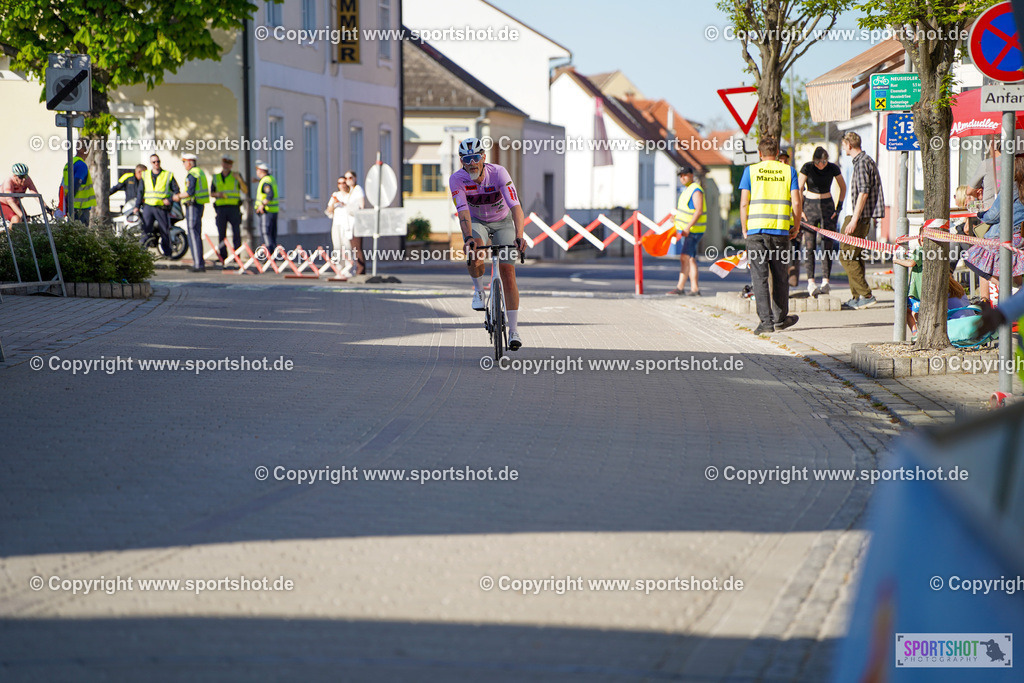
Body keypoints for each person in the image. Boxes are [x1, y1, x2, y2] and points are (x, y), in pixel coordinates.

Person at [449, 136, 527, 350]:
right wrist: (467, 239)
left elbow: (516, 207)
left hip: (503, 222)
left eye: (475, 157)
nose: (471, 162)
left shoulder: (499, 173)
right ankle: (478, 290)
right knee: (475, 250)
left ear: (483, 157)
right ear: (461, 161)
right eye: (466, 159)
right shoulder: (457, 179)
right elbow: (462, 212)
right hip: (476, 221)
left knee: (508, 273)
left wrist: (519, 235)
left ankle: (513, 331)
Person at [740, 136, 802, 335]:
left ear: (759, 153)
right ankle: (780, 319)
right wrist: (797, 226)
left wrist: (744, 228)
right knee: (780, 275)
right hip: (780, 232)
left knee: (759, 277)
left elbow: (743, 203)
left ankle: (765, 322)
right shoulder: (788, 171)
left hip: (756, 232)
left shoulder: (750, 171)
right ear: (777, 153)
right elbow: (797, 202)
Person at [963, 154, 1024, 301]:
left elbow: (993, 216)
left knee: (970, 258)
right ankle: (1016, 294)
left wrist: (980, 214)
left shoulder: (1012, 187)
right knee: (1014, 273)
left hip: (1002, 236)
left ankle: (1011, 292)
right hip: (1020, 237)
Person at [838, 131, 884, 310]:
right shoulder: (862, 161)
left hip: (857, 217)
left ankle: (865, 294)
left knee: (846, 255)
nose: (843, 147)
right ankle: (857, 297)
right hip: (859, 216)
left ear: (849, 144)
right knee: (854, 255)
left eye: (843, 144)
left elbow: (863, 192)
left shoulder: (863, 162)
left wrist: (854, 220)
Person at [798, 146, 846, 297]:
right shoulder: (807, 167)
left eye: (824, 161)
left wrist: (838, 208)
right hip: (810, 206)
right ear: (814, 160)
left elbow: (843, 187)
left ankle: (826, 281)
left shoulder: (832, 168)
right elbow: (799, 188)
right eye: (818, 161)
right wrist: (800, 210)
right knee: (810, 245)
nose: (821, 165)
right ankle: (811, 282)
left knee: (828, 244)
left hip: (827, 206)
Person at [666, 165, 705, 296]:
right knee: (690, 259)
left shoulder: (695, 190)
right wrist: (676, 219)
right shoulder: (687, 190)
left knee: (684, 257)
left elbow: (698, 211)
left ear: (691, 175)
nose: (682, 177)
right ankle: (695, 288)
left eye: (685, 175)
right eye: (681, 176)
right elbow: (687, 211)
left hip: (692, 231)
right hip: (688, 230)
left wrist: (687, 227)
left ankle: (680, 287)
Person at [173, 153, 209, 272]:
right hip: (198, 205)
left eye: (184, 162)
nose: (183, 164)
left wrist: (177, 196)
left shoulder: (192, 174)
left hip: (193, 205)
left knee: (193, 234)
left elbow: (190, 192)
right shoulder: (200, 172)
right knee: (196, 233)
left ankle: (198, 264)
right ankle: (199, 263)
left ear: (189, 162)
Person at [140, 154, 179, 257]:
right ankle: (141, 253)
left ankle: (167, 253)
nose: (156, 163)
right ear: (151, 163)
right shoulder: (145, 175)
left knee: (164, 230)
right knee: (145, 230)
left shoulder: (167, 175)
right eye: (154, 162)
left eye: (158, 161)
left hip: (161, 207)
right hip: (148, 207)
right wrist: (136, 206)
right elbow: (140, 192)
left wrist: (169, 200)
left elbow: (176, 191)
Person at [209, 155, 245, 265]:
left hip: (234, 208)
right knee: (221, 234)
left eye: (229, 164)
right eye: (225, 163)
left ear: (231, 165)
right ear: (222, 164)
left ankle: (236, 256)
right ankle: (223, 257)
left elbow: (245, 190)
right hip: (221, 209)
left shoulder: (236, 176)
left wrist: (239, 180)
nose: (227, 166)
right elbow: (211, 193)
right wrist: (218, 194)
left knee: (236, 233)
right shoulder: (216, 177)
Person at [61, 139, 96, 224]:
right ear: (87, 150)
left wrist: (64, 203)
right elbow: (76, 185)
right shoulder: (81, 165)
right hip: (80, 208)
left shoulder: (70, 163)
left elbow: (62, 186)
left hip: (70, 207)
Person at [342, 171, 367, 274]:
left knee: (357, 248)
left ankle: (360, 270)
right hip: (349, 222)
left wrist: (350, 208)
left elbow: (361, 206)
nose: (348, 180)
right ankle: (357, 268)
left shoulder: (358, 189)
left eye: (350, 178)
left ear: (355, 178)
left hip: (356, 222)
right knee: (353, 248)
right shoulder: (350, 191)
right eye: (346, 178)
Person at [254, 161, 279, 257]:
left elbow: (270, 194)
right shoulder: (270, 178)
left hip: (266, 211)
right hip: (274, 211)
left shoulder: (265, 181)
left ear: (261, 171)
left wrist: (261, 205)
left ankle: (268, 254)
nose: (257, 172)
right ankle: (273, 254)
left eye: (257, 170)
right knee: (272, 234)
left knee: (266, 233)